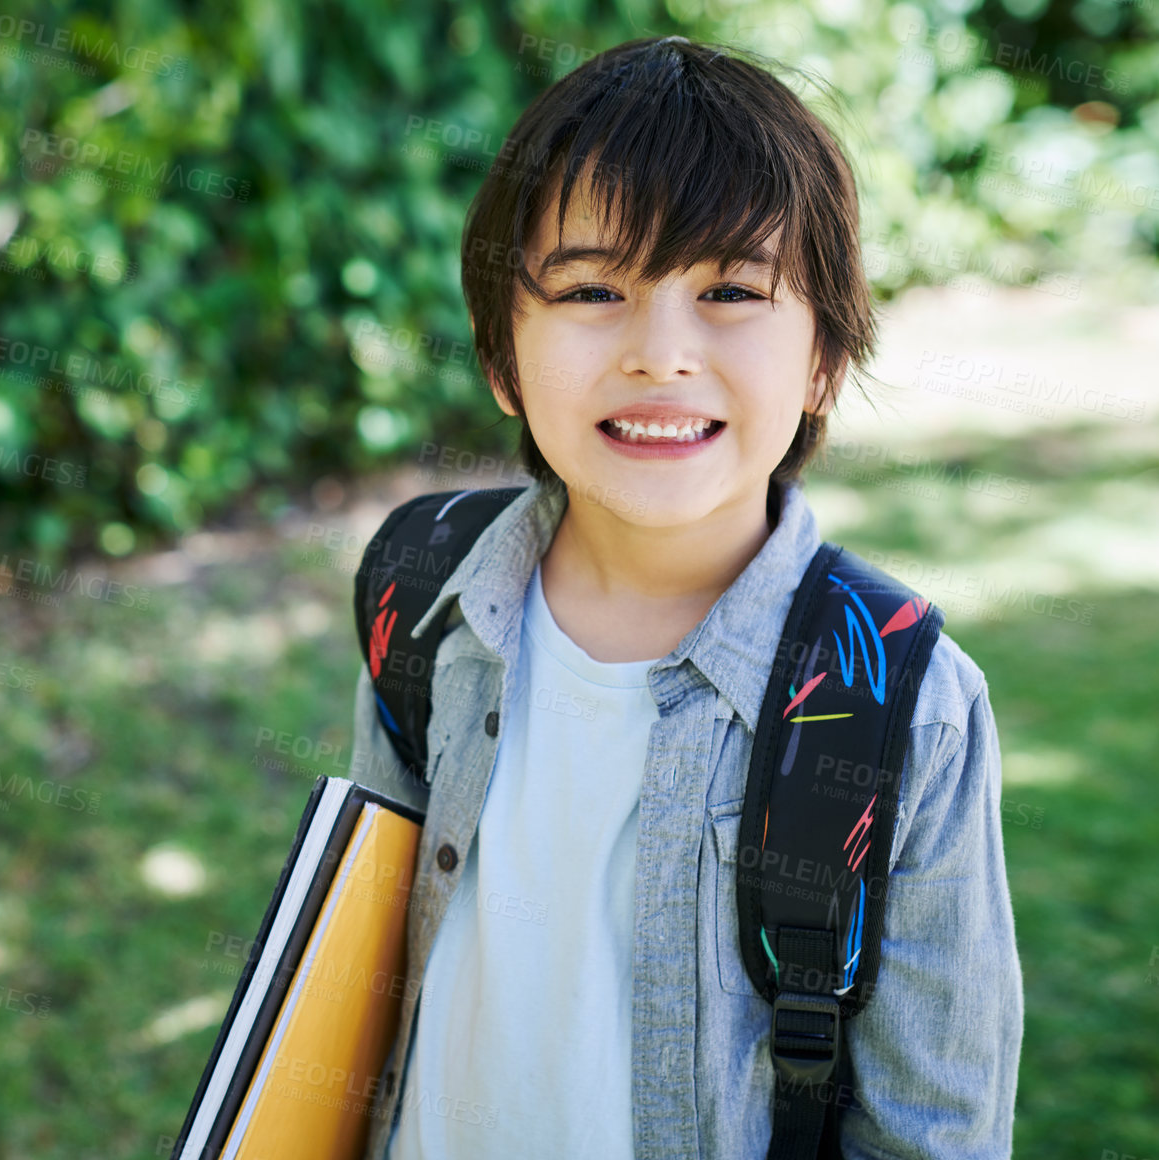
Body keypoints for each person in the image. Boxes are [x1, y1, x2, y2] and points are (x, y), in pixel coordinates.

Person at [347, 35, 1023, 1160]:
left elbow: (933, 1131)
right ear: (500, 353)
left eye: (728, 290)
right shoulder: (425, 593)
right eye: (594, 288)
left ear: (820, 359)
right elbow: (361, 968)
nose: (661, 353)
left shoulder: (907, 703)